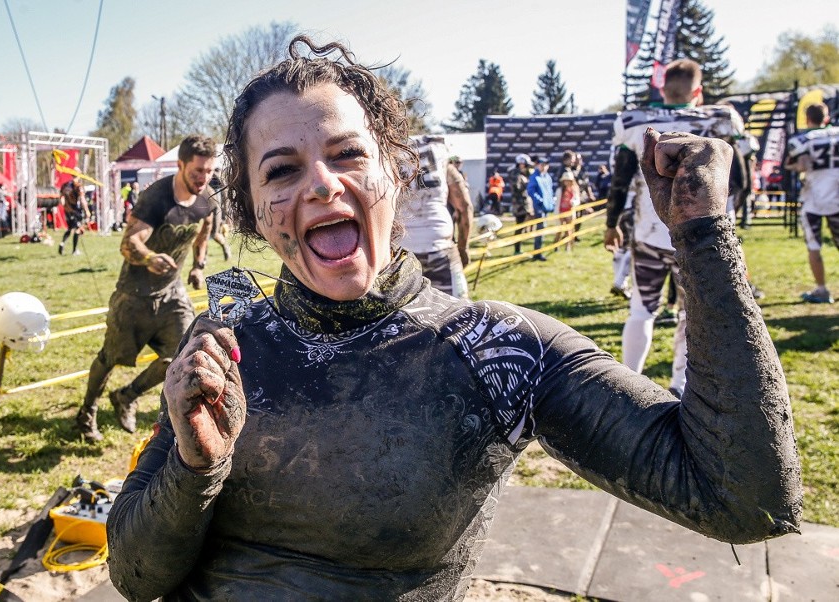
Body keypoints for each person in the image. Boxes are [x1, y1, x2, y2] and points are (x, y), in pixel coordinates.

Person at [107, 36, 801, 602]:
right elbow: (136, 576)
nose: (321, 183)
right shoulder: (226, 347)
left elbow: (744, 501)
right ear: (255, 210)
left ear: (397, 173)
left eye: (348, 154)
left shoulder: (498, 352)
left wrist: (703, 237)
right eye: (282, 170)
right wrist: (197, 464)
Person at [605, 58, 746, 398]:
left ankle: (629, 386)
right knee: (690, 314)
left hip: (650, 230)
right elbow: (740, 178)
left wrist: (611, 223)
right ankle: (679, 386)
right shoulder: (718, 119)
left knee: (641, 308)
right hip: (697, 234)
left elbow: (620, 178)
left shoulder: (635, 121)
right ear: (698, 91)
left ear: (662, 88)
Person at [75, 135, 217, 443]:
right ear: (180, 165)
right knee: (110, 357)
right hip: (134, 296)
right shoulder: (157, 198)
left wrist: (198, 265)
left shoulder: (207, 199)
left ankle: (127, 395)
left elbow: (204, 230)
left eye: (208, 171)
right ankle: (86, 412)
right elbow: (129, 243)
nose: (203, 179)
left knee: (183, 354)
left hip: (172, 294)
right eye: (197, 171)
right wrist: (150, 257)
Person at [398, 135, 473, 298]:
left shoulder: (389, 161)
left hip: (401, 250)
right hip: (440, 245)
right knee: (457, 311)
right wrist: (463, 247)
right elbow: (465, 206)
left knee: (404, 315)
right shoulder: (442, 161)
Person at [785, 102, 839, 304]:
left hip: (813, 198)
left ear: (807, 119)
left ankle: (822, 289)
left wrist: (799, 166)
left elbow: (791, 164)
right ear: (826, 117)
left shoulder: (802, 139)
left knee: (814, 246)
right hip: (837, 196)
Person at [527, 155, 554, 261]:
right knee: (540, 229)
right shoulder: (534, 177)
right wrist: (539, 200)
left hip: (546, 207)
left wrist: (551, 202)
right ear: (538, 165)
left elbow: (550, 191)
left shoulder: (547, 177)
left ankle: (539, 250)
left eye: (546, 165)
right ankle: (537, 252)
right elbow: (531, 191)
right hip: (539, 207)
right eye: (542, 165)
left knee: (543, 229)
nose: (544, 167)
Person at [508, 153, 534, 254]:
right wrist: (528, 184)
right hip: (519, 204)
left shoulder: (522, 174)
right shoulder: (516, 174)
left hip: (523, 203)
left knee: (522, 226)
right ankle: (517, 249)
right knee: (519, 226)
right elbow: (518, 189)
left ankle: (518, 248)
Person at [58, 178, 90, 256]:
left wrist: (65, 207)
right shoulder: (78, 186)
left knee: (70, 228)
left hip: (67, 210)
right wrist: (87, 211)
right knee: (78, 229)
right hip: (76, 210)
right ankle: (74, 250)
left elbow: (61, 198)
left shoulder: (65, 185)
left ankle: (62, 243)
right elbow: (82, 199)